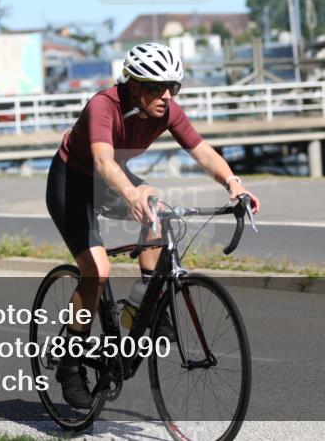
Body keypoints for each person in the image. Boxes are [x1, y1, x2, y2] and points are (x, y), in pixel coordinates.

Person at [45, 42, 261, 408]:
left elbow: (201, 150)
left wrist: (232, 182)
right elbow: (102, 162)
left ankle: (143, 307)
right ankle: (69, 363)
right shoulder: (104, 105)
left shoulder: (166, 111)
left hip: (112, 177)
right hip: (74, 180)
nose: (165, 96)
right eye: (155, 88)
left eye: (172, 88)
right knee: (96, 272)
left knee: (158, 208)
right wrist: (130, 194)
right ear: (133, 86)